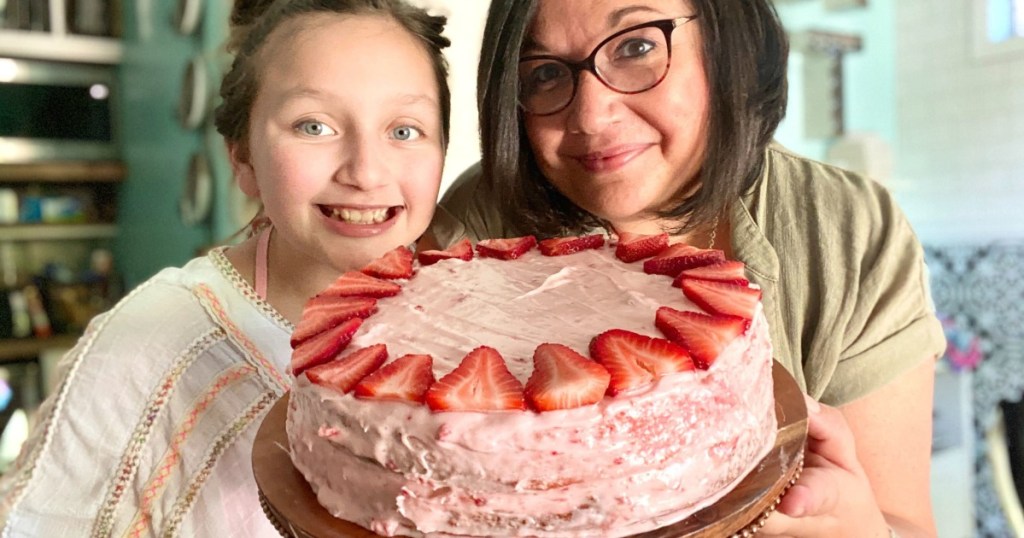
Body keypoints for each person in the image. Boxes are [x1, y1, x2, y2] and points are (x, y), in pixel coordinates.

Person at [437, 0, 945, 536]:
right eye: (544, 73)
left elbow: (905, 521)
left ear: (728, 43)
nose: (590, 114)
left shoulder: (849, 228)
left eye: (635, 47)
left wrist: (862, 527)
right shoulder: (484, 223)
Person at [0, 0, 451, 535]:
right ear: (242, 158)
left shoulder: (469, 321)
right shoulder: (152, 338)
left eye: (404, 130)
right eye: (314, 126)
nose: (366, 171)